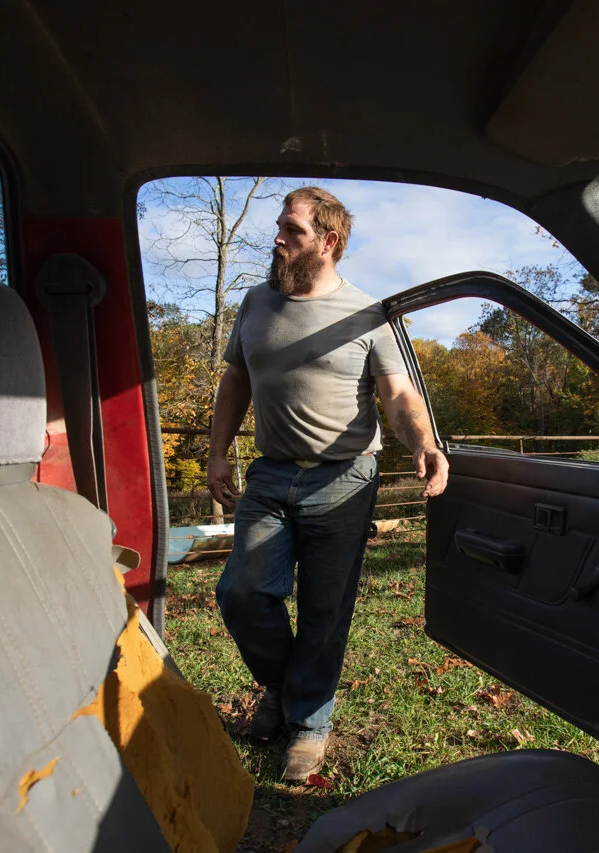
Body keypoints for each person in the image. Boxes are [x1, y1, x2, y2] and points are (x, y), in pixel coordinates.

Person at [208, 186, 449, 782]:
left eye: (292, 230)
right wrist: (216, 453)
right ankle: (287, 691)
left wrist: (423, 442)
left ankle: (308, 724)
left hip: (344, 481)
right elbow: (235, 382)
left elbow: (397, 396)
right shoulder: (255, 303)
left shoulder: (371, 314)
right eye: (280, 226)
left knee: (324, 610)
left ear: (329, 242)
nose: (278, 238)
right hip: (268, 475)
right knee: (242, 592)